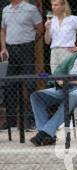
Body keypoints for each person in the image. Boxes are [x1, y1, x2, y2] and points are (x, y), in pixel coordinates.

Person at [29, 29, 77, 146]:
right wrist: (59, 80)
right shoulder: (72, 57)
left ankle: (45, 133)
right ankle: (47, 135)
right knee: (36, 96)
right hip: (64, 87)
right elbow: (58, 72)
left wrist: (70, 82)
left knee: (71, 96)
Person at [0, 0, 43, 130]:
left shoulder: (31, 8)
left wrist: (30, 43)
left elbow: (40, 28)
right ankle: (12, 122)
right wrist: (3, 48)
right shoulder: (5, 9)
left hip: (26, 49)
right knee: (9, 85)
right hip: (10, 50)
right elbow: (2, 30)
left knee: (30, 85)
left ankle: (31, 122)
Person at [44, 0, 77, 73]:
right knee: (56, 77)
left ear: (63, 6)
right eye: (52, 5)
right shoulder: (51, 20)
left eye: (56, 5)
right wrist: (47, 29)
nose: (53, 7)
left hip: (67, 51)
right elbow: (47, 41)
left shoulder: (73, 19)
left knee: (68, 76)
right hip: (54, 51)